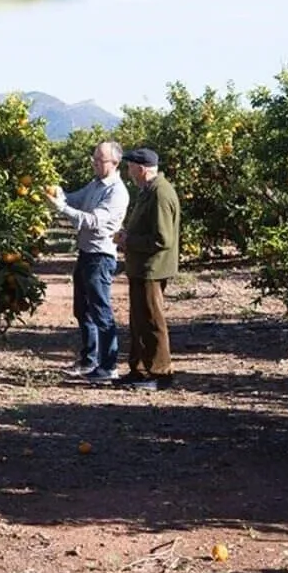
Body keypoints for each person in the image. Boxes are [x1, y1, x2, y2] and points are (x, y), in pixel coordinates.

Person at [46, 140, 130, 382]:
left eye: (99, 160)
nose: (94, 163)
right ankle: (89, 360)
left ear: (114, 163)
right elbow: (74, 198)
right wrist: (58, 192)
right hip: (85, 254)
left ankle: (108, 366)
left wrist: (61, 209)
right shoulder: (96, 184)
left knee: (101, 312)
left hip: (100, 257)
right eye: (93, 158)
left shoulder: (116, 192)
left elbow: (93, 221)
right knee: (83, 310)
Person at [113, 147, 180, 391]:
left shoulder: (160, 194)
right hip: (141, 268)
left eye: (130, 167)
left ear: (141, 169)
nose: (128, 172)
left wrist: (128, 241)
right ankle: (140, 369)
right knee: (139, 320)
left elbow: (163, 239)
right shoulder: (148, 191)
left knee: (152, 320)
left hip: (153, 268)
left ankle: (160, 373)